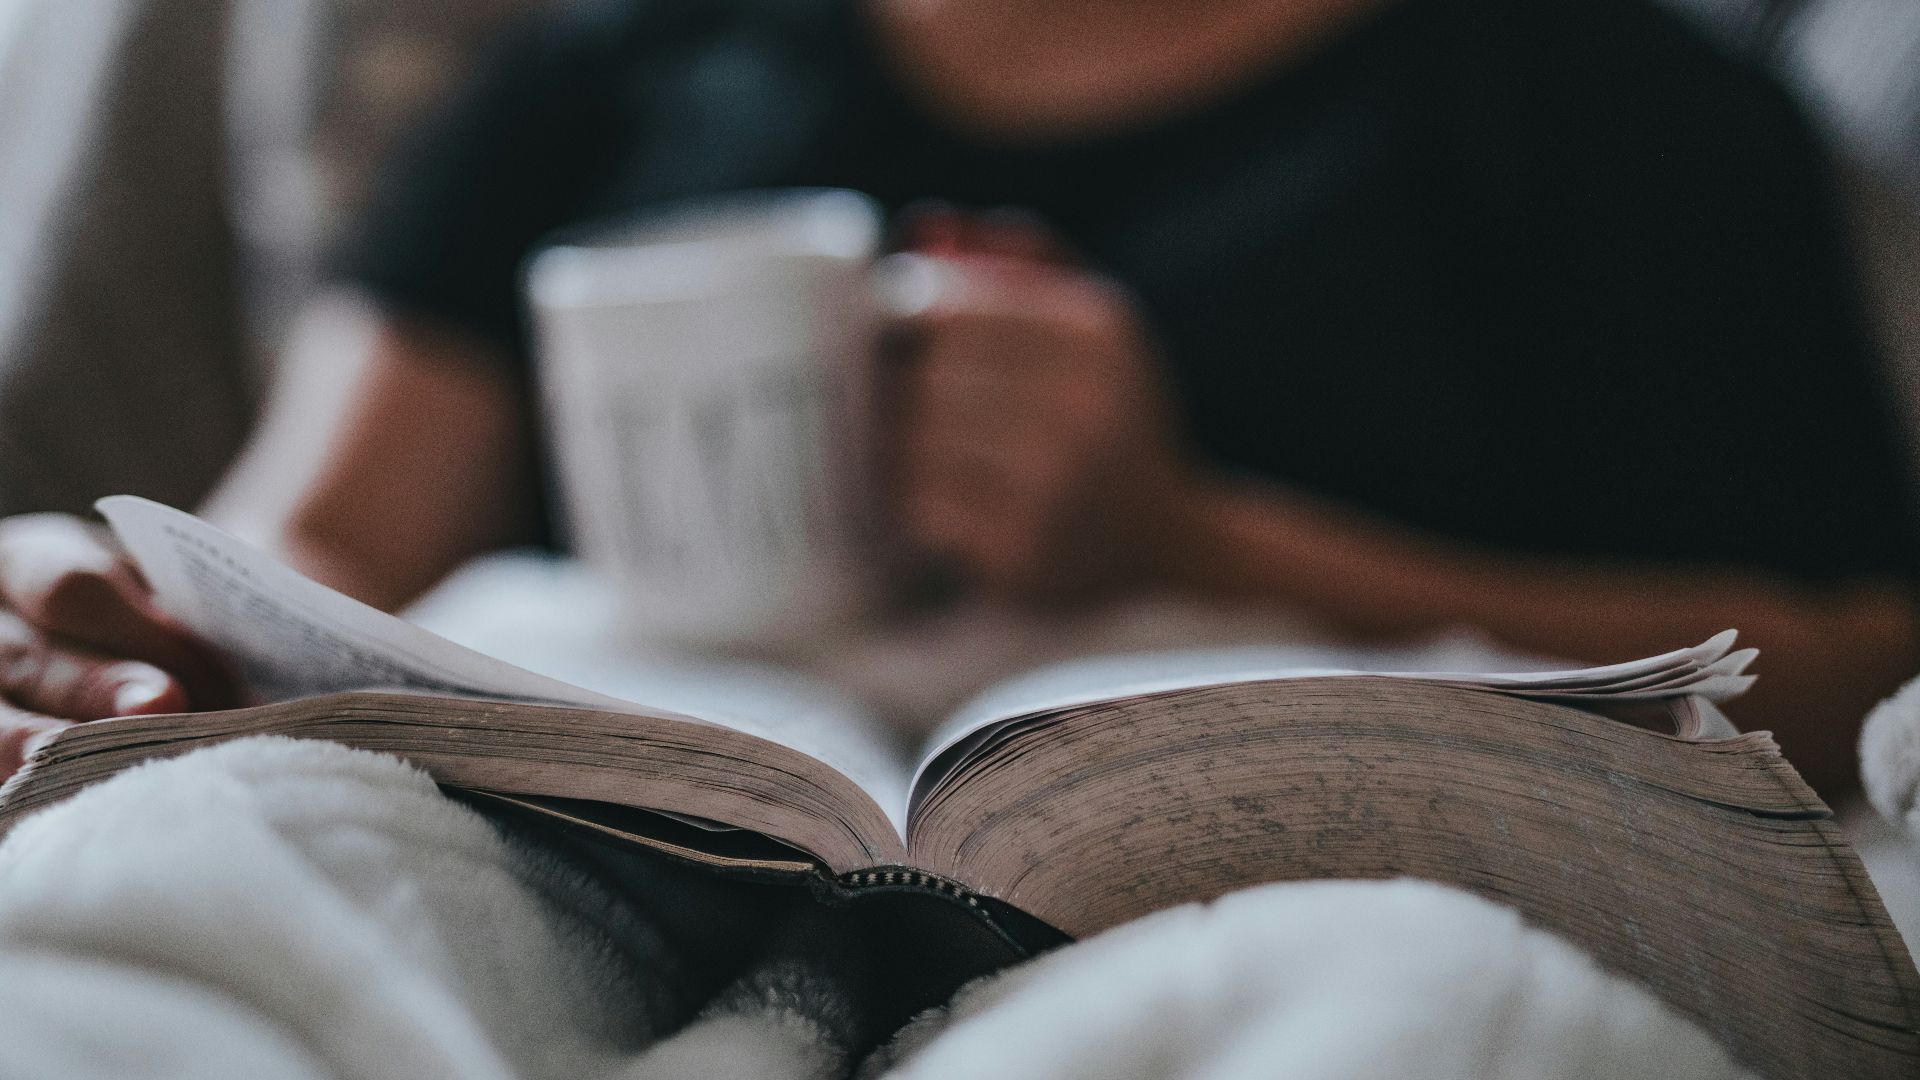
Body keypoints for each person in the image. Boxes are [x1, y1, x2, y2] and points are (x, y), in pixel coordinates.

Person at [0, 0, 1915, 796]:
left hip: (1266, 868)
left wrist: (1191, 540)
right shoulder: (603, 74)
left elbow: (1852, 668)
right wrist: (93, 615)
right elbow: (303, 541)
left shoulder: (1607, 100)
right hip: (611, 829)